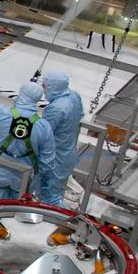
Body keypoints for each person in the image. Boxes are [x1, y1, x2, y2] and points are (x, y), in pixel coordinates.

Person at [39, 70, 84, 206]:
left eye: (45, 86)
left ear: (53, 87)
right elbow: (80, 115)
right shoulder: (74, 96)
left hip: (54, 158)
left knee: (49, 198)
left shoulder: (56, 108)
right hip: (67, 153)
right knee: (57, 191)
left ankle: (57, 214)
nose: (43, 88)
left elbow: (43, 133)